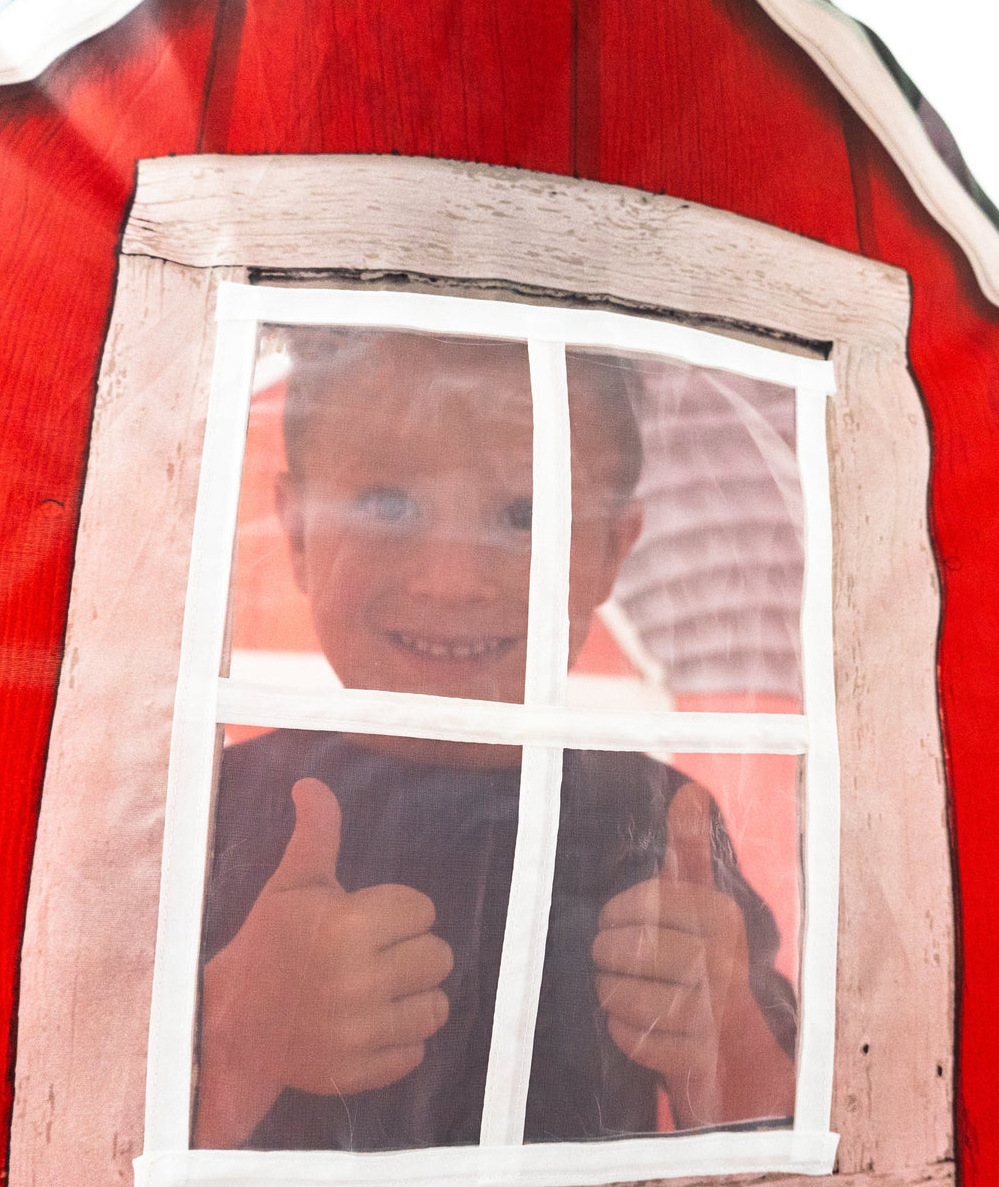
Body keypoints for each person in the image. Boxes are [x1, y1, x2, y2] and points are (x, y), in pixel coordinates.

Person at [192, 329, 797, 1150]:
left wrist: (726, 1036)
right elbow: (84, 1122)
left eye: (526, 515)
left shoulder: (659, 822)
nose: (452, 579)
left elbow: (786, 1132)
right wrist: (237, 1042)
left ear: (609, 554)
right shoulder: (215, 806)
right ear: (296, 533)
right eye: (387, 504)